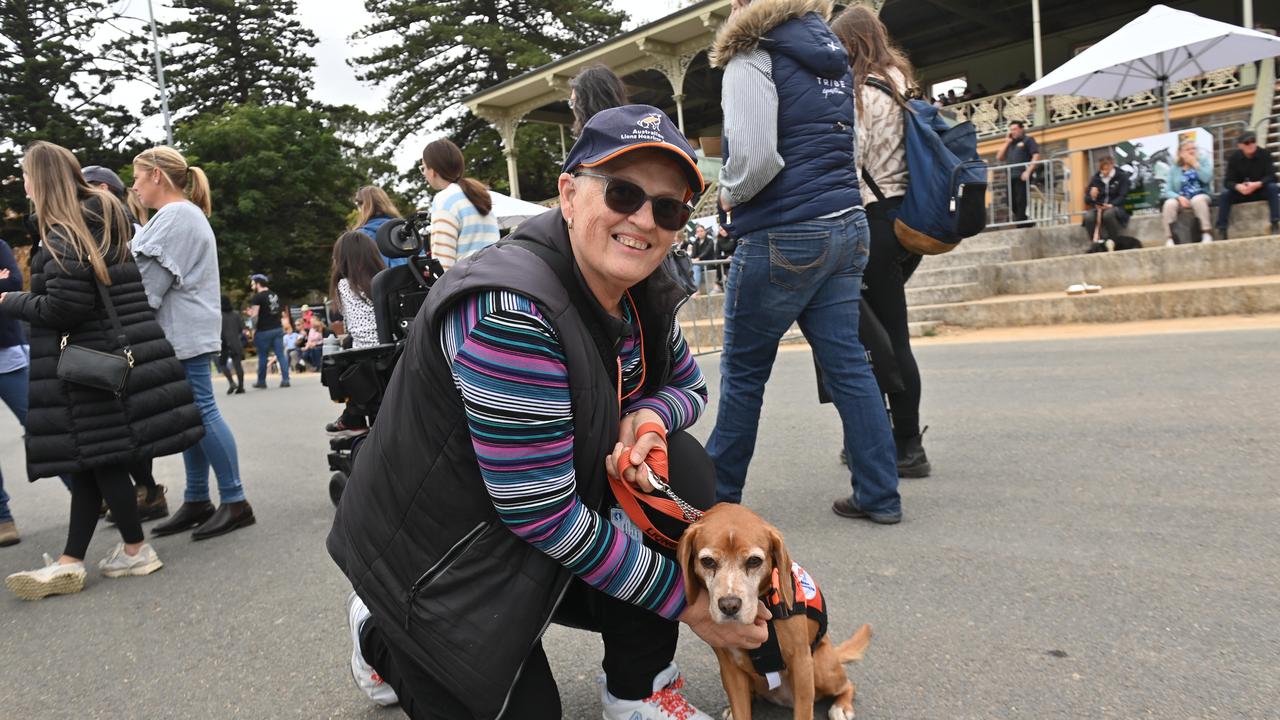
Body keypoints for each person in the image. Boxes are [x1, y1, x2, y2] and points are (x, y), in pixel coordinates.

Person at [329, 105, 768, 720]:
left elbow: (691, 387)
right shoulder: (512, 309)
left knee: (682, 470)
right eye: (622, 193)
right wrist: (687, 600)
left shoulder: (641, 287)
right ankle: (379, 629)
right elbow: (540, 509)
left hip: (536, 513)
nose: (644, 219)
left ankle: (637, 688)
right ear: (568, 192)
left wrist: (647, 420)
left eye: (667, 208)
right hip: (443, 556)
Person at [706, 0, 901, 523]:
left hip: (782, 230)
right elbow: (851, 143)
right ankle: (880, 493)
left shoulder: (752, 55)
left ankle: (712, 504)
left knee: (745, 373)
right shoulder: (832, 54)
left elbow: (754, 159)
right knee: (849, 365)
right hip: (845, 222)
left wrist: (726, 197)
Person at [1, 141, 203, 600]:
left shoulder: (62, 236)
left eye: (27, 176)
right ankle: (79, 558)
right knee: (96, 458)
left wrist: (10, 301)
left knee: (100, 456)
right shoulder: (99, 221)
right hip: (107, 357)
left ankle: (133, 550)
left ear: (43, 180)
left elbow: (65, 306)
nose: (25, 185)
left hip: (87, 361)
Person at [131, 145, 257, 541]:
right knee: (192, 414)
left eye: (136, 177)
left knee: (200, 410)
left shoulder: (175, 215)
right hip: (185, 329)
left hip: (180, 331)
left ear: (155, 174)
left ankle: (235, 502)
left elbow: (147, 285)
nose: (133, 186)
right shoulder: (182, 214)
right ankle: (199, 498)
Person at [831, 4, 931, 479]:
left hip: (873, 219)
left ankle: (897, 443)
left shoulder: (861, 92)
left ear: (849, 44)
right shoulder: (901, 82)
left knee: (870, 340)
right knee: (893, 335)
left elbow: (851, 162)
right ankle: (900, 439)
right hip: (906, 220)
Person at [82, 164, 171, 523]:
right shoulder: (119, 227)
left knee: (126, 421)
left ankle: (147, 491)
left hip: (122, 336)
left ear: (101, 188)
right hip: (122, 335)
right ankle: (142, 491)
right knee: (124, 422)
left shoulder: (121, 230)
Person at [324, 231, 385, 435]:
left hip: (366, 358)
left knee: (341, 353)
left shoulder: (345, 286)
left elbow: (354, 327)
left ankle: (353, 415)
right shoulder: (385, 282)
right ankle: (353, 414)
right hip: (392, 351)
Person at [422, 139, 501, 272]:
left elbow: (443, 261)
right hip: (494, 277)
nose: (423, 173)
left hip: (468, 283)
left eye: (423, 168)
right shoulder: (476, 194)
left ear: (433, 170)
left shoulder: (444, 199)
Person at [0, 238, 30, 547]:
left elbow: (14, 281)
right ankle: (2, 517)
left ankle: (89, 494)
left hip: (6, 355)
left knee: (42, 425)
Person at [1217, 131, 1280, 239]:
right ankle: (1222, 229)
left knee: (1273, 188)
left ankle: (1275, 223)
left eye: (1253, 141)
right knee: (1225, 195)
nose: (1251, 145)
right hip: (1242, 192)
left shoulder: (1265, 154)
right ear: (1240, 146)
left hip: (1260, 190)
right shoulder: (1234, 158)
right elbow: (1227, 182)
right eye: (1247, 143)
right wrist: (1238, 187)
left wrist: (1258, 184)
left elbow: (1272, 176)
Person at [1160, 140, 1214, 245]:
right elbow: (1168, 190)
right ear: (1180, 153)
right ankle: (1170, 237)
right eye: (1188, 149)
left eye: (1193, 148)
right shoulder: (1174, 168)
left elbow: (1207, 179)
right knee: (1169, 204)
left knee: (1198, 200)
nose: (1191, 151)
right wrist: (1179, 197)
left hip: (1201, 194)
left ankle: (1206, 232)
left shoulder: (1203, 161)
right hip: (1182, 198)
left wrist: (1196, 164)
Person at [247, 273, 290, 387]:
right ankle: (286, 379)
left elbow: (255, 315)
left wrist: (253, 328)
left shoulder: (258, 297)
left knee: (262, 356)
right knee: (280, 354)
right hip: (277, 328)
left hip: (264, 330)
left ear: (258, 284)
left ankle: (261, 381)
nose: (251, 286)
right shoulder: (274, 295)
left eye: (253, 284)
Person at [996, 121, 1041, 226]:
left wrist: (1028, 171)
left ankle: (1021, 222)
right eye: (1011, 130)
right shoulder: (1010, 143)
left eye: (1015, 129)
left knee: (1021, 200)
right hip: (1010, 175)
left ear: (1021, 129)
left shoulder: (1028, 140)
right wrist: (1006, 142)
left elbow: (1036, 155)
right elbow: (999, 157)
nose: (1013, 132)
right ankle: (1025, 221)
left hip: (1022, 175)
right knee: (1009, 200)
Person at [1083, 155, 1131, 247]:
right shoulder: (1096, 178)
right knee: (1088, 216)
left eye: (1106, 169)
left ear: (1112, 166)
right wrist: (1092, 196)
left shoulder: (1121, 177)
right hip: (1099, 207)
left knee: (1108, 215)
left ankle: (1114, 241)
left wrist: (1111, 204)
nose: (1103, 172)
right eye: (1102, 170)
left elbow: (1123, 196)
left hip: (1115, 207)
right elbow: (1087, 200)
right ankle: (1096, 243)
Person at [353, 186, 405, 268]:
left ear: (363, 206)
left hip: (382, 280)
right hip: (413, 279)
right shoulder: (405, 229)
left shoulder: (361, 235)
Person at [570, 64, 629, 135]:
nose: (573, 109)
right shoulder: (639, 129)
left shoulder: (593, 142)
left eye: (573, 102)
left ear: (586, 105)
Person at [220, 295, 245, 394]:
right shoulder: (236, 314)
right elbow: (241, 328)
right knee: (238, 365)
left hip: (224, 343)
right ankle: (241, 386)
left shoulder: (219, 315)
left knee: (222, 364)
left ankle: (231, 382)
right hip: (236, 342)